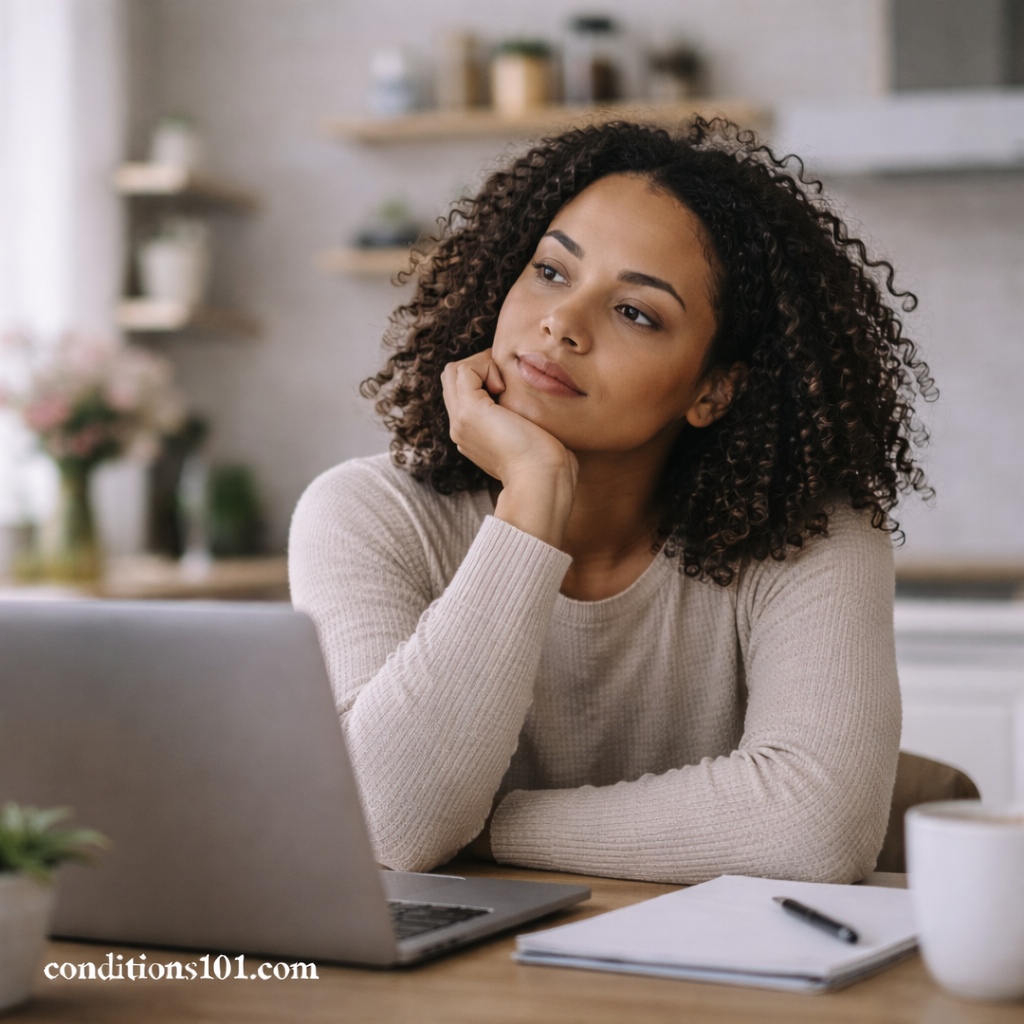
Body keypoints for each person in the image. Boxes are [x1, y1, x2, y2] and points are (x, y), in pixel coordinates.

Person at [289, 119, 935, 884]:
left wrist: (484, 826)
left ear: (713, 389)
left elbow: (815, 828)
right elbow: (395, 823)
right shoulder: (365, 513)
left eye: (636, 312)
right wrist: (532, 496)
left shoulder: (810, 536)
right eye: (552, 273)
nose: (561, 323)